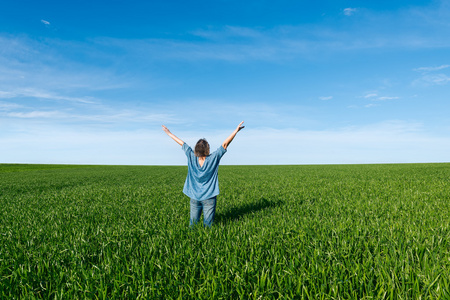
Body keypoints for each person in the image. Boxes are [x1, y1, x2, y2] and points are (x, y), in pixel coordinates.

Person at [162, 122, 245, 227]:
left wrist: (168, 133)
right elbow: (225, 144)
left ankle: (191, 241)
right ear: (207, 149)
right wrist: (236, 131)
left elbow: (181, 143)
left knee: (193, 225)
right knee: (208, 226)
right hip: (209, 197)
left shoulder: (191, 156)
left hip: (194, 196)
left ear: (196, 149)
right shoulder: (213, 158)